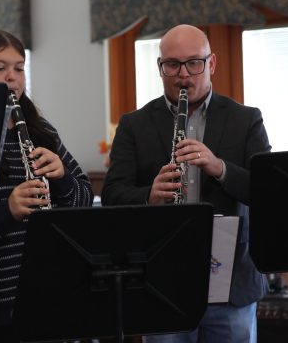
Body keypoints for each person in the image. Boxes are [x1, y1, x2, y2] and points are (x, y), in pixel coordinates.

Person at [102, 24, 271, 343]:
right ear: (160, 67)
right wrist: (150, 196)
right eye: (172, 65)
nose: (183, 74)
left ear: (212, 64)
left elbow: (267, 191)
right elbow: (112, 196)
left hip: (230, 281)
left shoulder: (246, 119)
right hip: (161, 280)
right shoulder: (134, 125)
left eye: (194, 62)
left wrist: (219, 167)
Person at [0, 28, 93, 342]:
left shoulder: (41, 130)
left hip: (46, 297)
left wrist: (62, 179)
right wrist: (6, 210)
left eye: (19, 68)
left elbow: (84, 200)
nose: (13, 77)